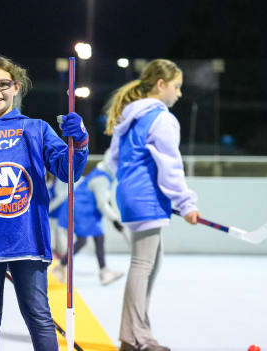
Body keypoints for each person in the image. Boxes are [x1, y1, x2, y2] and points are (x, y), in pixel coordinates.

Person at [0, 54, 89, 351]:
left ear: (16, 87)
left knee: (39, 317)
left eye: (3, 84)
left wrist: (79, 143)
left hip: (28, 241)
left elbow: (68, 172)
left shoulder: (36, 129)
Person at [104, 59, 199, 351]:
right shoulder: (161, 118)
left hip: (132, 195)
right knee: (143, 265)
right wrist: (185, 203)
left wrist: (137, 186)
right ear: (161, 85)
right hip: (145, 197)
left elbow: (112, 161)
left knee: (151, 264)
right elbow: (171, 165)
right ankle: (135, 339)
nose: (179, 94)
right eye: (176, 87)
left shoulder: (129, 117)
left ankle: (136, 334)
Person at [50, 149, 126, 286]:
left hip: (81, 209)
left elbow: (103, 198)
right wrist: (116, 221)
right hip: (81, 211)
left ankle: (61, 266)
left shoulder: (102, 175)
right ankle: (104, 272)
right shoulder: (102, 178)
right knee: (98, 237)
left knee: (83, 241)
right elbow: (102, 204)